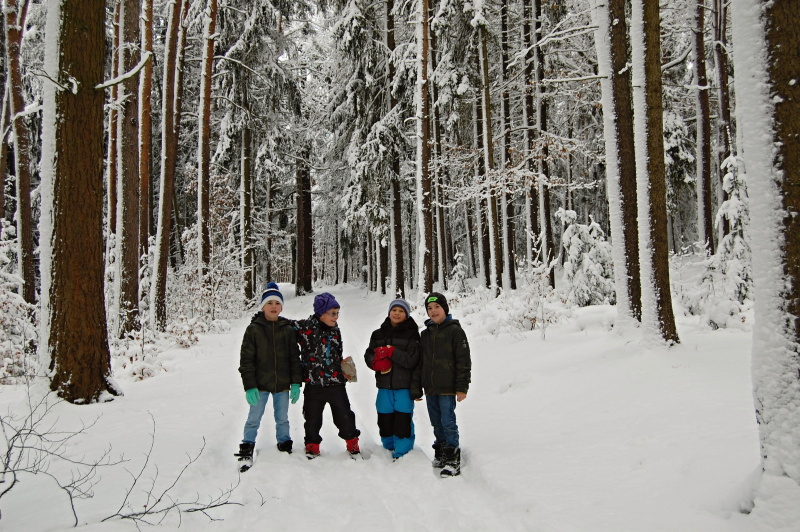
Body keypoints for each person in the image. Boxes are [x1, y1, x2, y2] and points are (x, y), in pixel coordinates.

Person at [235, 282, 302, 472]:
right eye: (270, 303)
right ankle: (247, 447)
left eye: (277, 303)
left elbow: (294, 358)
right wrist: (250, 386)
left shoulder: (287, 329)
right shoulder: (254, 329)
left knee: (282, 418)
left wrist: (296, 383)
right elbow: (246, 360)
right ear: (263, 306)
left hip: (282, 384)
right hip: (260, 385)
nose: (274, 307)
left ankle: (284, 444)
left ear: (281, 307)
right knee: (253, 418)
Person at [294, 292, 361, 459]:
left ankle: (352, 442)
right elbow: (282, 324)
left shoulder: (335, 330)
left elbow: (337, 353)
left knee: (345, 416)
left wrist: (344, 368)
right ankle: (312, 446)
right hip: (313, 384)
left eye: (337, 313)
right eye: (332, 313)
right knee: (312, 418)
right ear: (320, 313)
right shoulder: (305, 328)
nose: (336, 317)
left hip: (336, 384)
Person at [412, 292, 471, 477]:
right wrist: (418, 387)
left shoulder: (455, 331)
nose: (433, 311)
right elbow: (420, 363)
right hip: (430, 388)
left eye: (437, 307)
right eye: (430, 308)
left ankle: (452, 456)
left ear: (445, 308)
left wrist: (462, 387)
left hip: (448, 387)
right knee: (436, 422)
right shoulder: (425, 334)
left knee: (448, 421)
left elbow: (463, 361)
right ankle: (441, 450)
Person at [364, 298, 421, 460]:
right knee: (384, 417)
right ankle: (388, 448)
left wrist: (392, 352)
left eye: (401, 311)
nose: (397, 313)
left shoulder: (412, 334)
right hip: (384, 385)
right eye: (394, 310)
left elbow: (411, 360)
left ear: (407, 315)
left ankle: (402, 452)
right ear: (389, 313)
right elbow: (369, 354)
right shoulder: (378, 334)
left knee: (403, 420)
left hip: (404, 386)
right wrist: (375, 363)